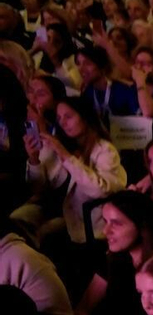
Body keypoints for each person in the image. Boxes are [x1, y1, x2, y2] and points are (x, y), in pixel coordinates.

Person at [21, 95, 127, 245]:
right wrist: (33, 159)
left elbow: (99, 190)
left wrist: (65, 156)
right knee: (17, 219)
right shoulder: (59, 143)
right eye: (59, 118)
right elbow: (37, 188)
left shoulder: (105, 150)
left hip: (83, 220)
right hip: (53, 208)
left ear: (84, 117)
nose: (63, 123)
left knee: (45, 234)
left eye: (68, 116)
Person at [75, 191, 153, 315]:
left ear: (141, 225)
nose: (106, 231)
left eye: (116, 223)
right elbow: (83, 310)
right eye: (106, 221)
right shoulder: (113, 258)